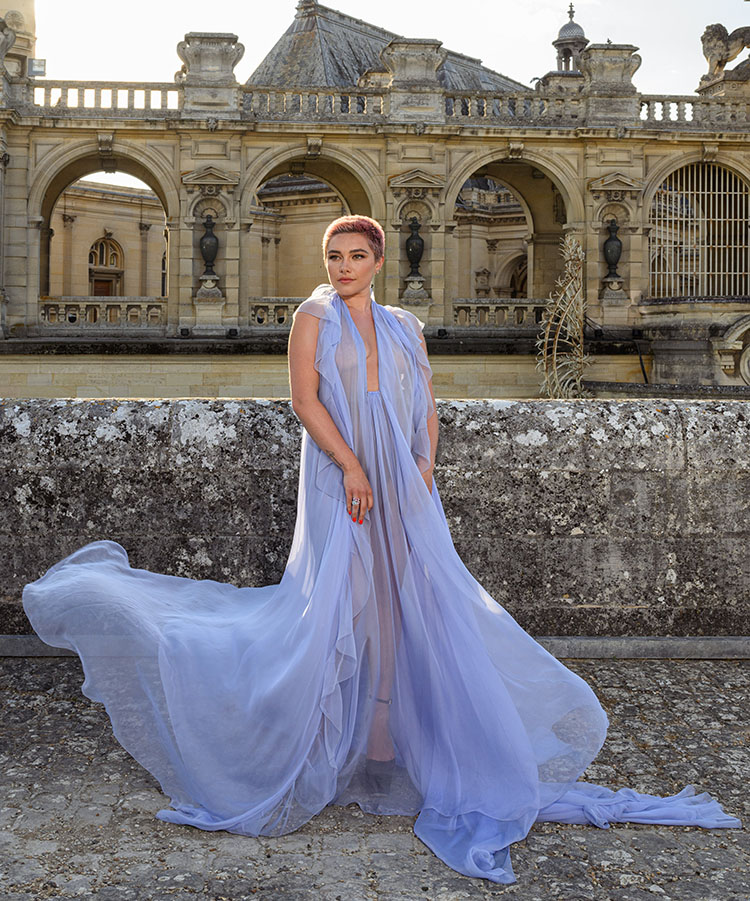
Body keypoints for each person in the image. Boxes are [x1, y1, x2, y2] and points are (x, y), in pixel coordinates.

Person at [22, 215, 741, 886]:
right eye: (333, 256)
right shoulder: (312, 316)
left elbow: (425, 400)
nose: (342, 267)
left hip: (401, 471)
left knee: (407, 591)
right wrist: (354, 466)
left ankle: (384, 733)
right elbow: (305, 400)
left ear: (379, 260)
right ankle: (324, 736)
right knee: (347, 592)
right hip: (343, 472)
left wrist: (423, 465)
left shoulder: (403, 324)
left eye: (355, 256)